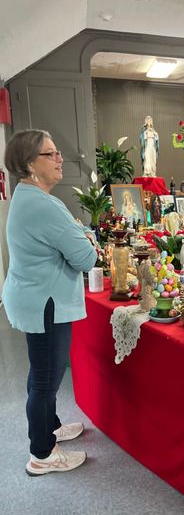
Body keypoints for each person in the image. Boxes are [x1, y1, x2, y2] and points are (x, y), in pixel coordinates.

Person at [2, 129, 98, 475]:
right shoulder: (43, 205)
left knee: (41, 373)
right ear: (30, 164)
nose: (60, 159)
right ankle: (42, 453)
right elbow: (86, 259)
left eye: (57, 153)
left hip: (35, 296)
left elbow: (72, 243)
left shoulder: (29, 197)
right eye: (50, 154)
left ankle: (50, 426)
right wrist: (87, 238)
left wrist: (80, 236)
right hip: (45, 302)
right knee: (46, 378)